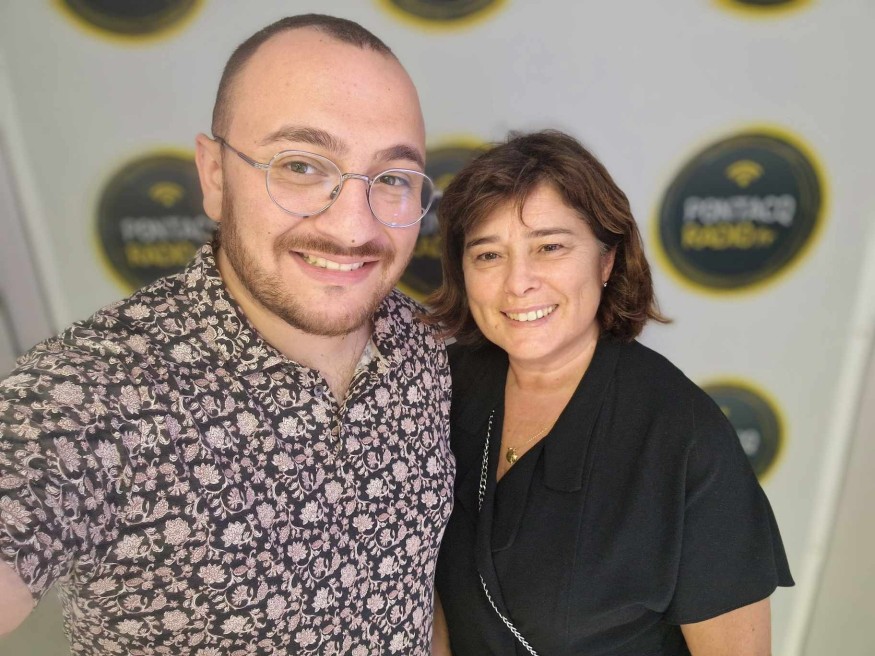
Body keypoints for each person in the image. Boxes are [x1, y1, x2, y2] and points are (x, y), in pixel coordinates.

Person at [0, 14, 454, 655]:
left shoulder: (427, 348)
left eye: (393, 179)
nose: (353, 227)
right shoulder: (88, 395)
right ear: (214, 174)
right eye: (301, 165)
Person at [427, 130, 793, 655]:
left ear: (607, 260)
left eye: (550, 247)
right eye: (488, 255)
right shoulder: (436, 388)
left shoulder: (684, 439)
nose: (518, 283)